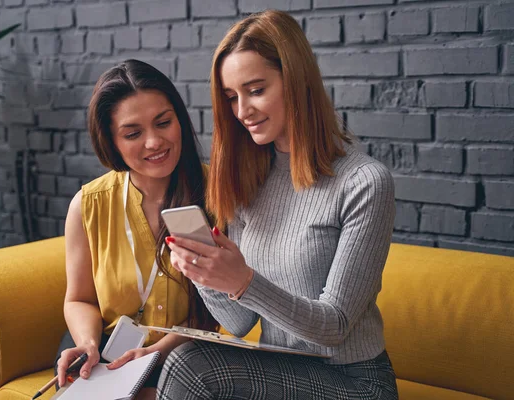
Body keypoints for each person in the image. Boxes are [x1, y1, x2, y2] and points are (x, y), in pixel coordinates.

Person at [160, 9, 398, 400]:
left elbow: (334, 326)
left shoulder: (364, 182)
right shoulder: (249, 180)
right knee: (187, 360)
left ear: (297, 80)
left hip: (356, 382)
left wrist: (244, 281)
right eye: (231, 97)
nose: (242, 111)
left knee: (191, 367)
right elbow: (238, 322)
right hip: (282, 369)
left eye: (255, 90)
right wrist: (208, 277)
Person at [55, 59, 217, 400]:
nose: (154, 142)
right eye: (133, 133)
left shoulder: (216, 193)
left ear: (180, 120)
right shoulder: (89, 205)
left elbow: (218, 314)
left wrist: (156, 352)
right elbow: (79, 299)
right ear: (111, 142)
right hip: (110, 355)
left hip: (187, 358)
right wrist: (87, 344)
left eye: (164, 123)